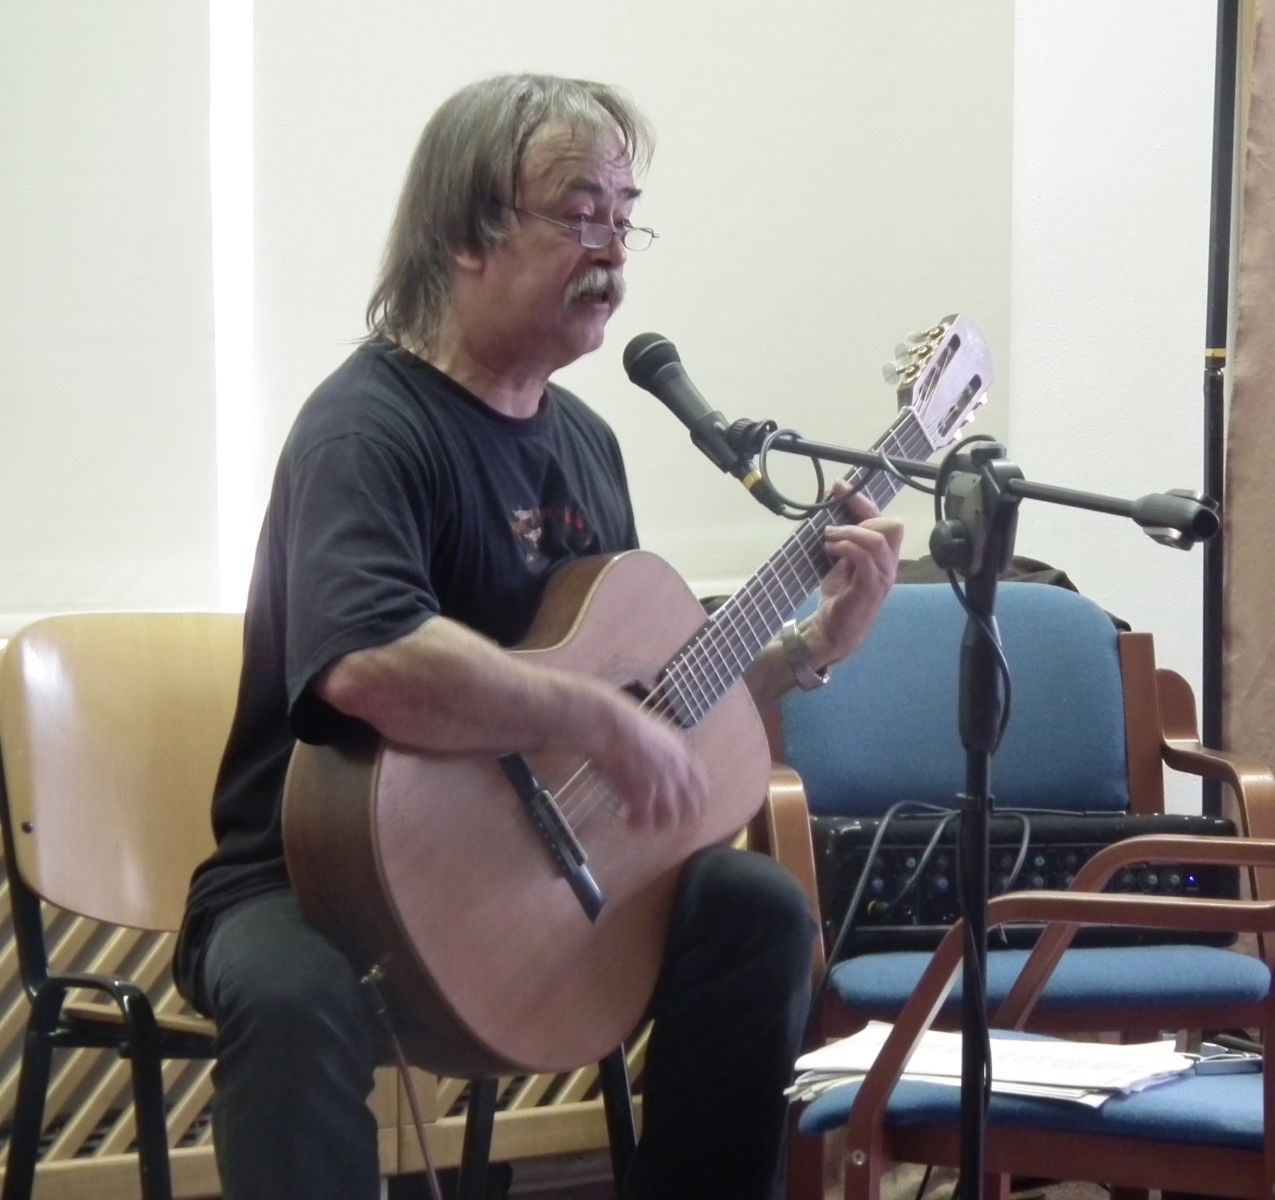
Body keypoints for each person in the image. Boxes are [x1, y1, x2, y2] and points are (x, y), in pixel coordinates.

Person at [176, 73, 903, 1200]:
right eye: (578, 213)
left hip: (539, 879)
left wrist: (811, 648)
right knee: (291, 1000)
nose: (610, 248)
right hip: (313, 878)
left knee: (758, 912)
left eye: (624, 216)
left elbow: (653, 707)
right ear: (466, 233)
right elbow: (370, 665)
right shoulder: (365, 430)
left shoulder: (587, 446)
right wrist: (591, 717)